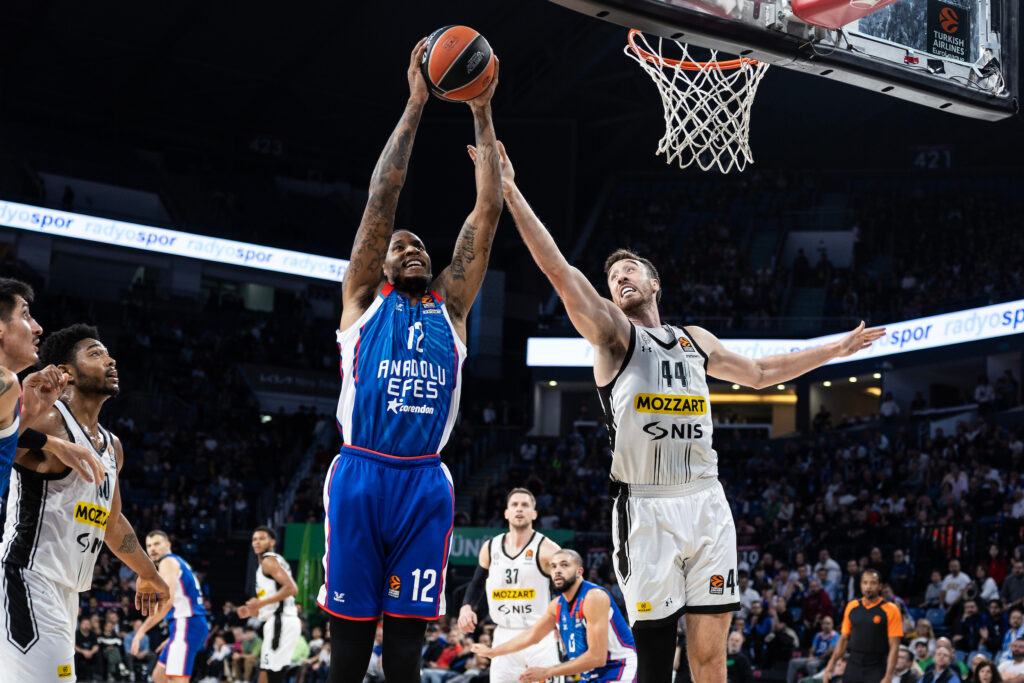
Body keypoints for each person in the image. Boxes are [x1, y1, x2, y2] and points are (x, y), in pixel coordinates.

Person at [484, 140, 884, 683]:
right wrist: (510, 190)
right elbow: (560, 272)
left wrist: (834, 349)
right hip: (645, 508)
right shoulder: (614, 338)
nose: (620, 279)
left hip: (706, 500)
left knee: (709, 658)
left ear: (655, 283)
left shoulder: (693, 340)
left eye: (630, 271)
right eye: (613, 277)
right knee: (655, 659)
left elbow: (765, 372)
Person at [318, 37, 503, 683]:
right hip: (361, 474)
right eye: (400, 247)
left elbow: (487, 211)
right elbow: (382, 198)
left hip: (424, 480)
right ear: (382, 263)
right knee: (348, 647)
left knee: (405, 652)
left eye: (420, 244)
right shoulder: (366, 299)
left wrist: (481, 109)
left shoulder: (450, 308)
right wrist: (417, 101)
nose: (411, 247)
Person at [0, 324, 168, 681]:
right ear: (66, 373)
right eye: (95, 353)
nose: (110, 360)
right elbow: (3, 442)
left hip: (65, 591)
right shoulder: (50, 422)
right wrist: (48, 440)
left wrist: (148, 572)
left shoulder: (112, 445)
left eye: (107, 354)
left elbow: (111, 522)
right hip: (27, 577)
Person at [0, 280, 103, 497]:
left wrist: (30, 413)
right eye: (25, 315)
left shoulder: (11, 389)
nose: (38, 327)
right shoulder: (6, 381)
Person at [470, 549, 637, 682]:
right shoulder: (557, 605)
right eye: (554, 566)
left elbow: (597, 658)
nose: (557, 570)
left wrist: (547, 672)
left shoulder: (594, 597)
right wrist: (494, 652)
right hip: (591, 676)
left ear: (579, 571)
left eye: (564, 565)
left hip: (619, 668)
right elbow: (531, 636)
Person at [458, 488, 561, 681]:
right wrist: (466, 607)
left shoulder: (548, 549)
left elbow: (569, 589)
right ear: (506, 512)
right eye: (514, 505)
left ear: (534, 513)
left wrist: (564, 622)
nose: (519, 509)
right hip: (503, 634)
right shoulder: (490, 548)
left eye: (525, 505)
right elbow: (476, 584)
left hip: (539, 635)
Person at [133, 530, 209, 682]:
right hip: (184, 625)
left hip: (187, 624)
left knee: (176, 679)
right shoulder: (177, 561)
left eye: (157, 544)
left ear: (168, 545)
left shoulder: (167, 562)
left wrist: (142, 630)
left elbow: (167, 601)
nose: (152, 549)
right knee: (159, 676)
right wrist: (172, 638)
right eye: (149, 546)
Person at [238, 526, 300, 683]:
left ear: (272, 541)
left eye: (262, 538)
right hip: (277, 620)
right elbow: (275, 602)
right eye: (254, 539)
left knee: (271, 674)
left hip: (282, 621)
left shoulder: (269, 561)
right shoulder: (267, 564)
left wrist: (259, 603)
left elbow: (292, 588)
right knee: (266, 672)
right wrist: (253, 612)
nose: (257, 542)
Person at [823, 569, 903, 683]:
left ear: (880, 586)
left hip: (877, 666)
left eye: (873, 583)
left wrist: (888, 676)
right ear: (860, 585)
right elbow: (844, 639)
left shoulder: (891, 609)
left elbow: (894, 646)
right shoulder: (852, 606)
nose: (868, 587)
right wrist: (831, 664)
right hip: (853, 664)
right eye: (865, 583)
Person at [788, 615, 839, 683]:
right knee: (793, 662)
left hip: (825, 660)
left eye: (828, 623)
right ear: (821, 625)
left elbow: (830, 651)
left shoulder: (835, 635)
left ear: (832, 625)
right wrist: (811, 656)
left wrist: (816, 659)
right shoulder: (818, 635)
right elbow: (813, 649)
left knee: (811, 665)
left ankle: (813, 681)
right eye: (824, 623)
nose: (826, 625)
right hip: (815, 658)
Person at [124, 618, 157, 682]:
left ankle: (149, 675)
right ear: (133, 626)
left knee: (153, 655)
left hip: (142, 654)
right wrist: (136, 653)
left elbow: (146, 649)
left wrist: (141, 653)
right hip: (132, 654)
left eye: (140, 626)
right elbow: (127, 650)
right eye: (137, 626)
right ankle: (131, 673)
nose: (139, 627)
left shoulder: (145, 637)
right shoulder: (128, 636)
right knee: (128, 655)